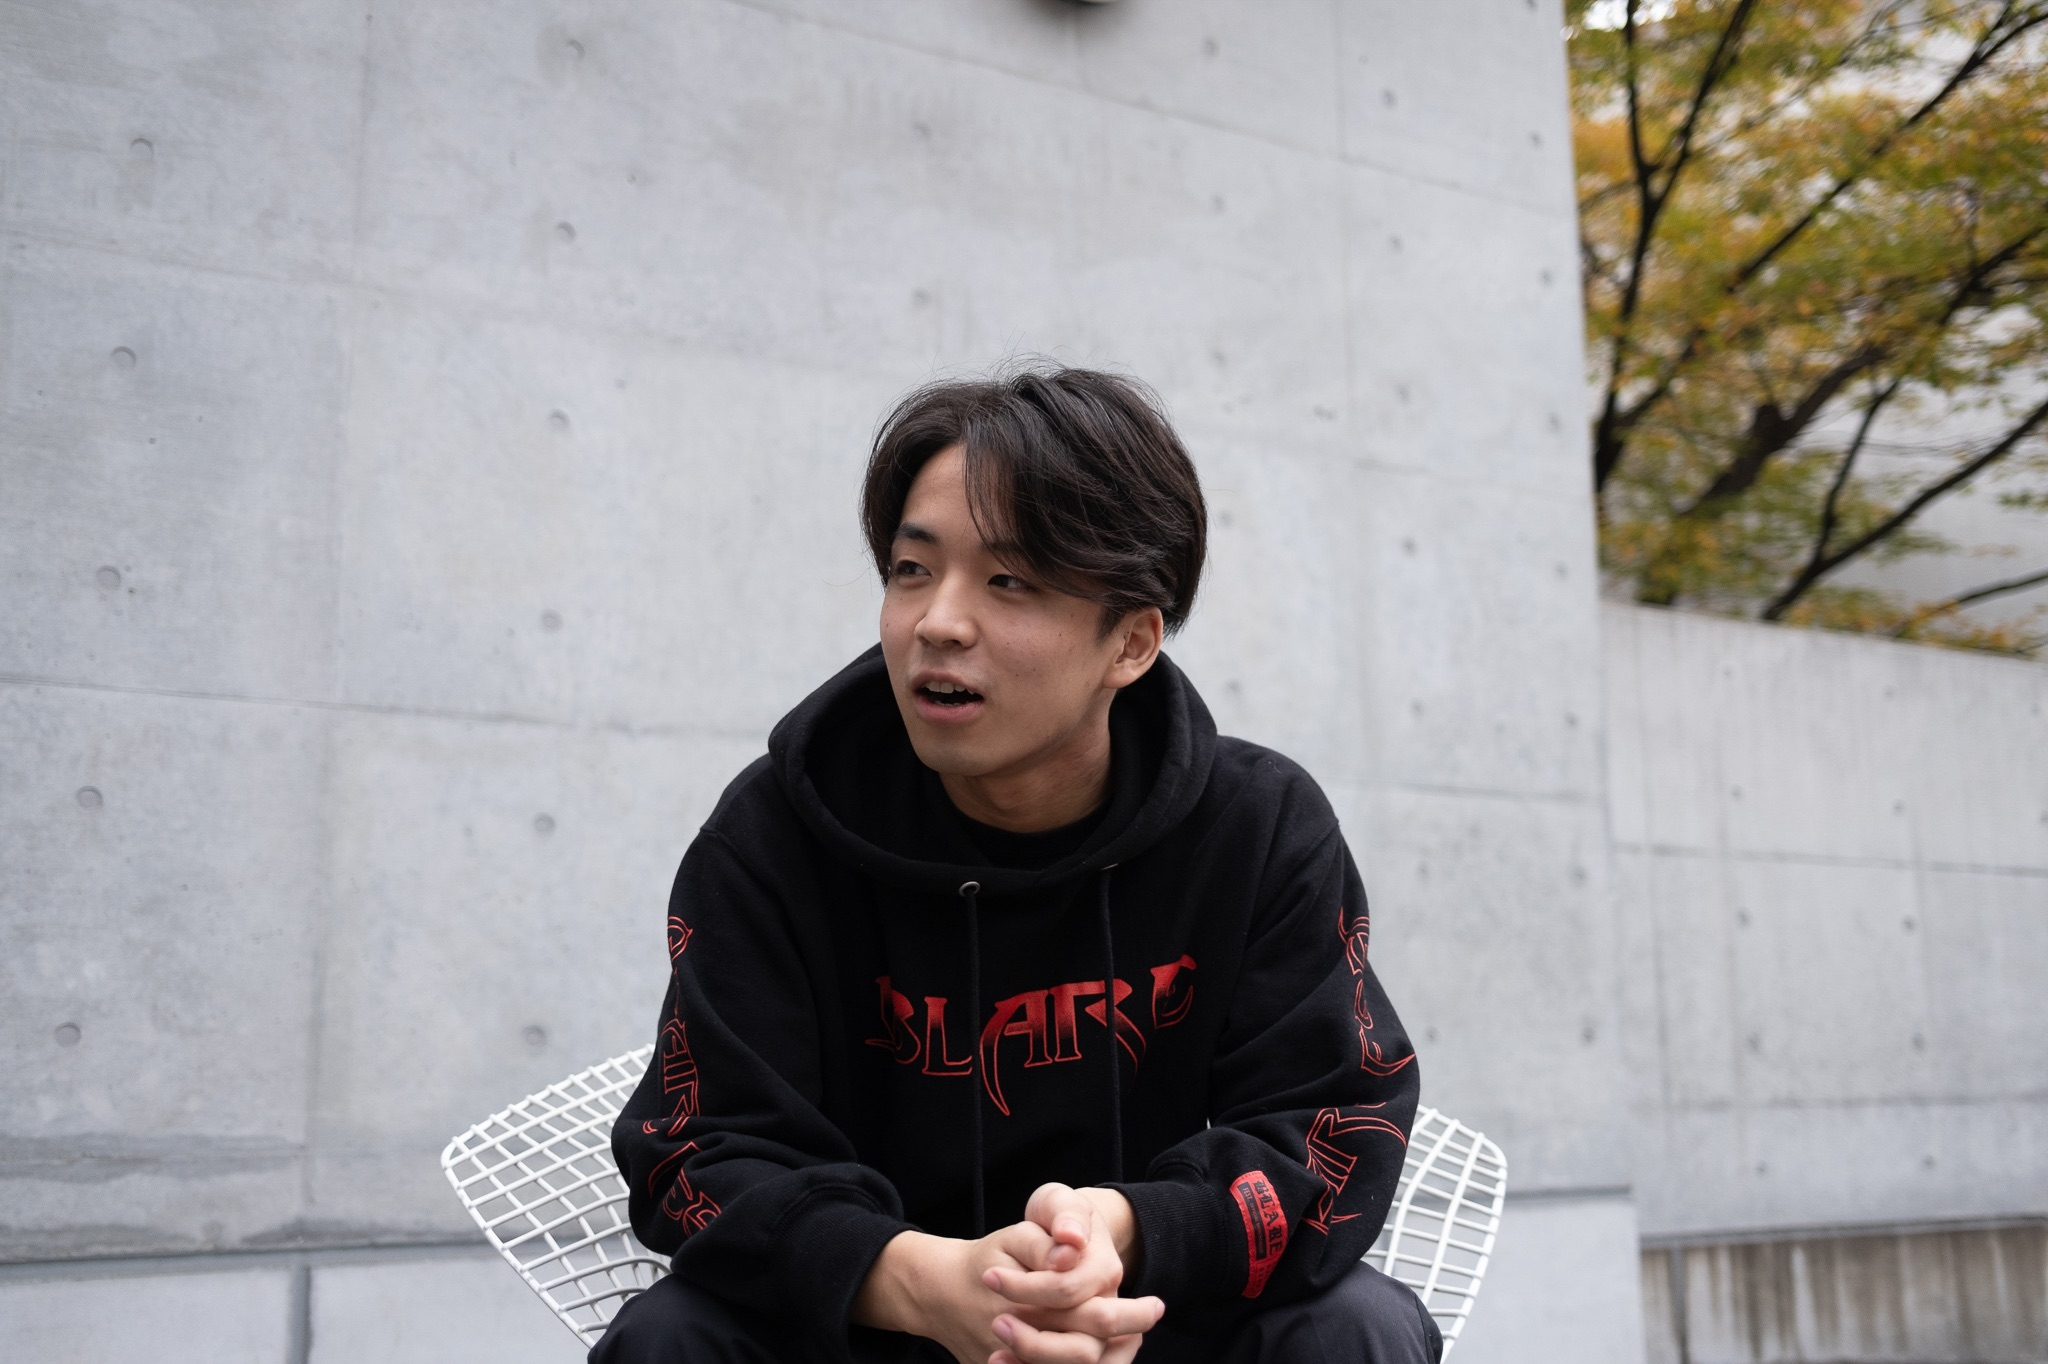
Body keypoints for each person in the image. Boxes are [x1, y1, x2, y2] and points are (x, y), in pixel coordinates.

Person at [592, 365, 1437, 1364]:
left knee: (1357, 1327)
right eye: (912, 569)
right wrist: (921, 1280)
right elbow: (699, 1147)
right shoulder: (774, 833)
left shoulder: (1256, 828)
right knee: (670, 1336)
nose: (938, 622)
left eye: (1008, 582)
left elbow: (1331, 1122)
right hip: (879, 1320)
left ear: (1130, 643)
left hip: (1144, 1317)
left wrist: (1117, 1232)